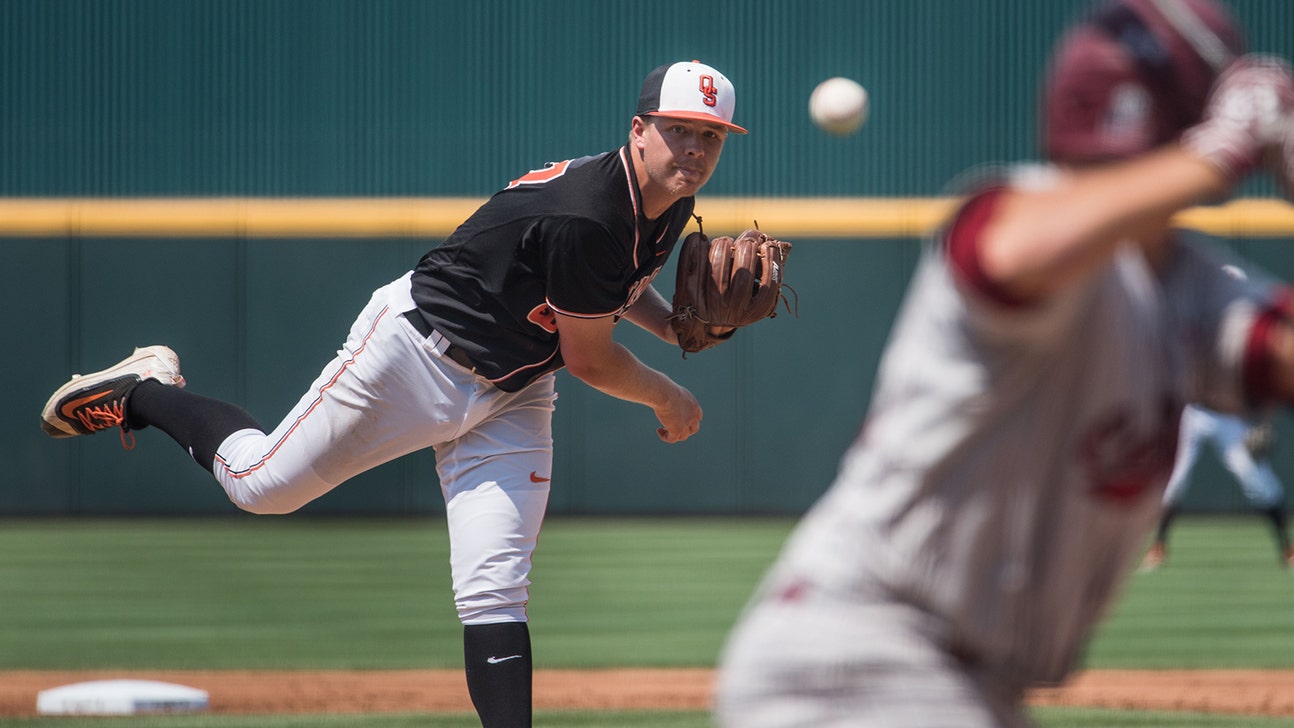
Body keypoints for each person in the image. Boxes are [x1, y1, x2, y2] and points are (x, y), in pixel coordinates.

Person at [41, 59, 747, 728]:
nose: (692, 147)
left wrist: (677, 329)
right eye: (677, 128)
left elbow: (613, 290)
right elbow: (590, 359)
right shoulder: (590, 212)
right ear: (638, 129)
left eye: (709, 136)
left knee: (495, 587)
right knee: (260, 486)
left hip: (516, 387)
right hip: (415, 354)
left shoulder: (660, 203)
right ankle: (144, 390)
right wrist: (668, 394)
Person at [714, 1, 1294, 726]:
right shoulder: (1016, 211)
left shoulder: (1187, 285)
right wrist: (1222, 151)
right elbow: (1020, 253)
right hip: (859, 649)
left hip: (965, 684)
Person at [1141, 403, 1292, 570]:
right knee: (1176, 478)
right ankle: (1158, 546)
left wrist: (1264, 422)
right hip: (1191, 413)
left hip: (1227, 417)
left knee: (1260, 481)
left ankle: (1287, 548)